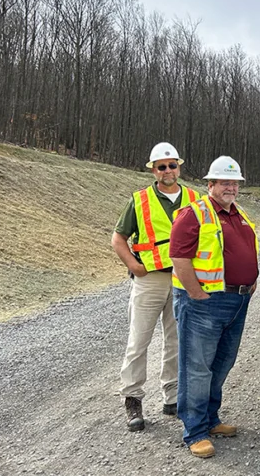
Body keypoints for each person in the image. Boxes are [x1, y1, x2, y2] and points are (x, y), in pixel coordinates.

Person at [169, 156, 260, 459]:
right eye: (224, 182)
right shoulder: (193, 214)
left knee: (222, 363)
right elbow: (179, 257)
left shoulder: (239, 213)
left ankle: (210, 419)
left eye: (235, 183)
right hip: (205, 304)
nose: (231, 188)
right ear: (210, 184)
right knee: (197, 367)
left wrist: (250, 281)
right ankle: (194, 430)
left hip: (237, 301)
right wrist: (196, 294)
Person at [111, 142, 200, 432]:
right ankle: (132, 398)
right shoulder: (139, 200)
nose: (167, 170)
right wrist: (134, 265)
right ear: (153, 170)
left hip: (182, 279)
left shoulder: (195, 199)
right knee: (139, 340)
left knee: (176, 340)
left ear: (179, 167)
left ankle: (172, 397)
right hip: (150, 279)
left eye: (172, 165)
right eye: (161, 167)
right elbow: (118, 238)